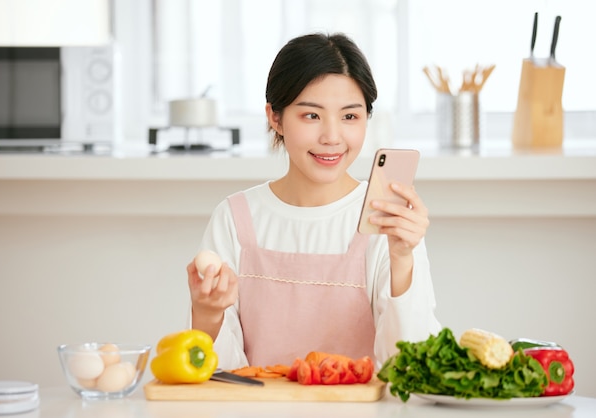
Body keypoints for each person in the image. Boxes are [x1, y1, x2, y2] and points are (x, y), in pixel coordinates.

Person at [186, 32, 441, 370]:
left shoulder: (386, 222)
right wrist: (206, 312)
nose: (332, 137)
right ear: (275, 118)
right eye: (311, 116)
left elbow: (410, 367)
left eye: (350, 116)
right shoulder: (235, 218)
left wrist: (402, 259)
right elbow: (222, 374)